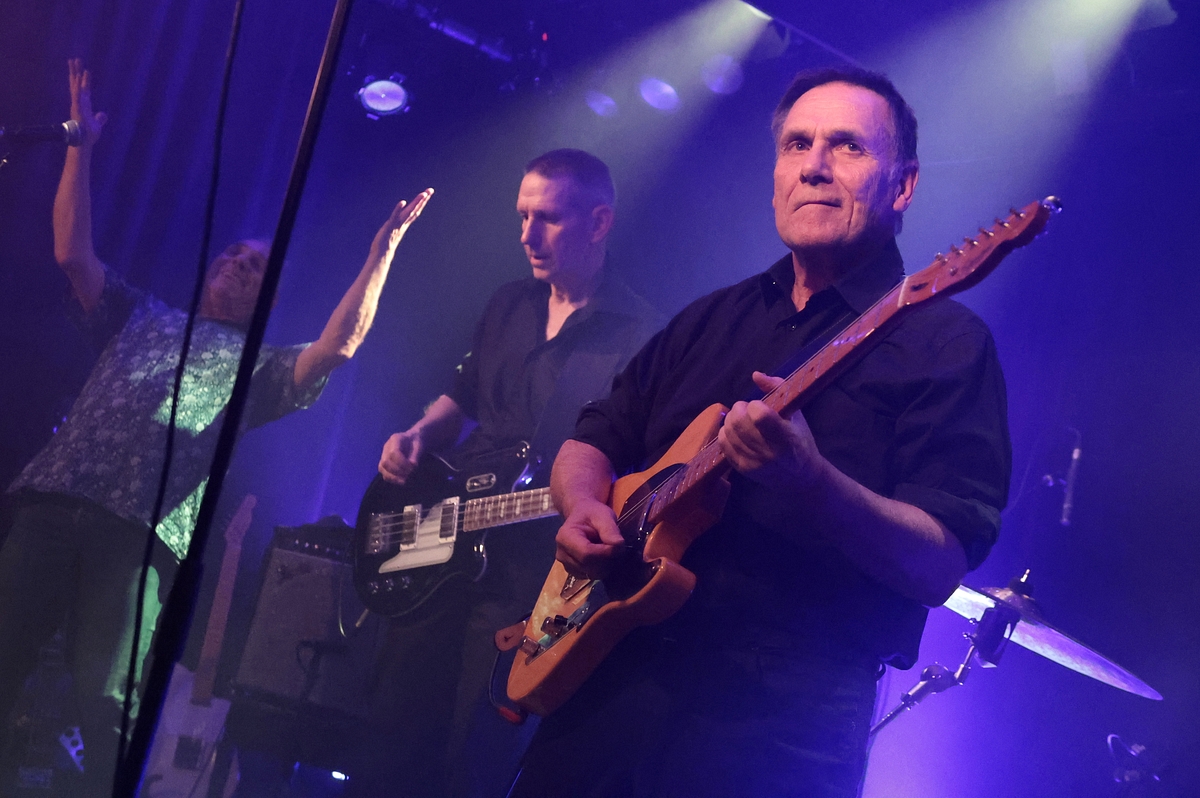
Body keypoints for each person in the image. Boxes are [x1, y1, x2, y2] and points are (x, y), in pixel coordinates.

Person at [509, 67, 1012, 798]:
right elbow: (593, 438)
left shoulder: (947, 343)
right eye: (797, 145)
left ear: (903, 186)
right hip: (608, 680)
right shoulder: (710, 317)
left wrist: (814, 483)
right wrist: (583, 504)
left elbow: (939, 566)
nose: (814, 166)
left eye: (848, 146)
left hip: (780, 721)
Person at [0, 59, 432, 795]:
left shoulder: (263, 363)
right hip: (53, 500)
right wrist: (80, 145)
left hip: (137, 535)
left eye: (254, 264)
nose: (235, 262)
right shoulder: (142, 313)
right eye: (231, 253)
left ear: (270, 294)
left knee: (107, 699)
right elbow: (72, 253)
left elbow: (340, 346)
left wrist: (380, 252)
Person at [350, 149, 663, 798]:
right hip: (446, 531)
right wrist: (416, 436)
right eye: (522, 216)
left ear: (599, 222)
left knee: (473, 752)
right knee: (390, 731)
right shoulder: (508, 304)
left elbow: (635, 460)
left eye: (547, 218)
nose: (526, 234)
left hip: (531, 571)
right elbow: (463, 396)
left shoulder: (639, 334)